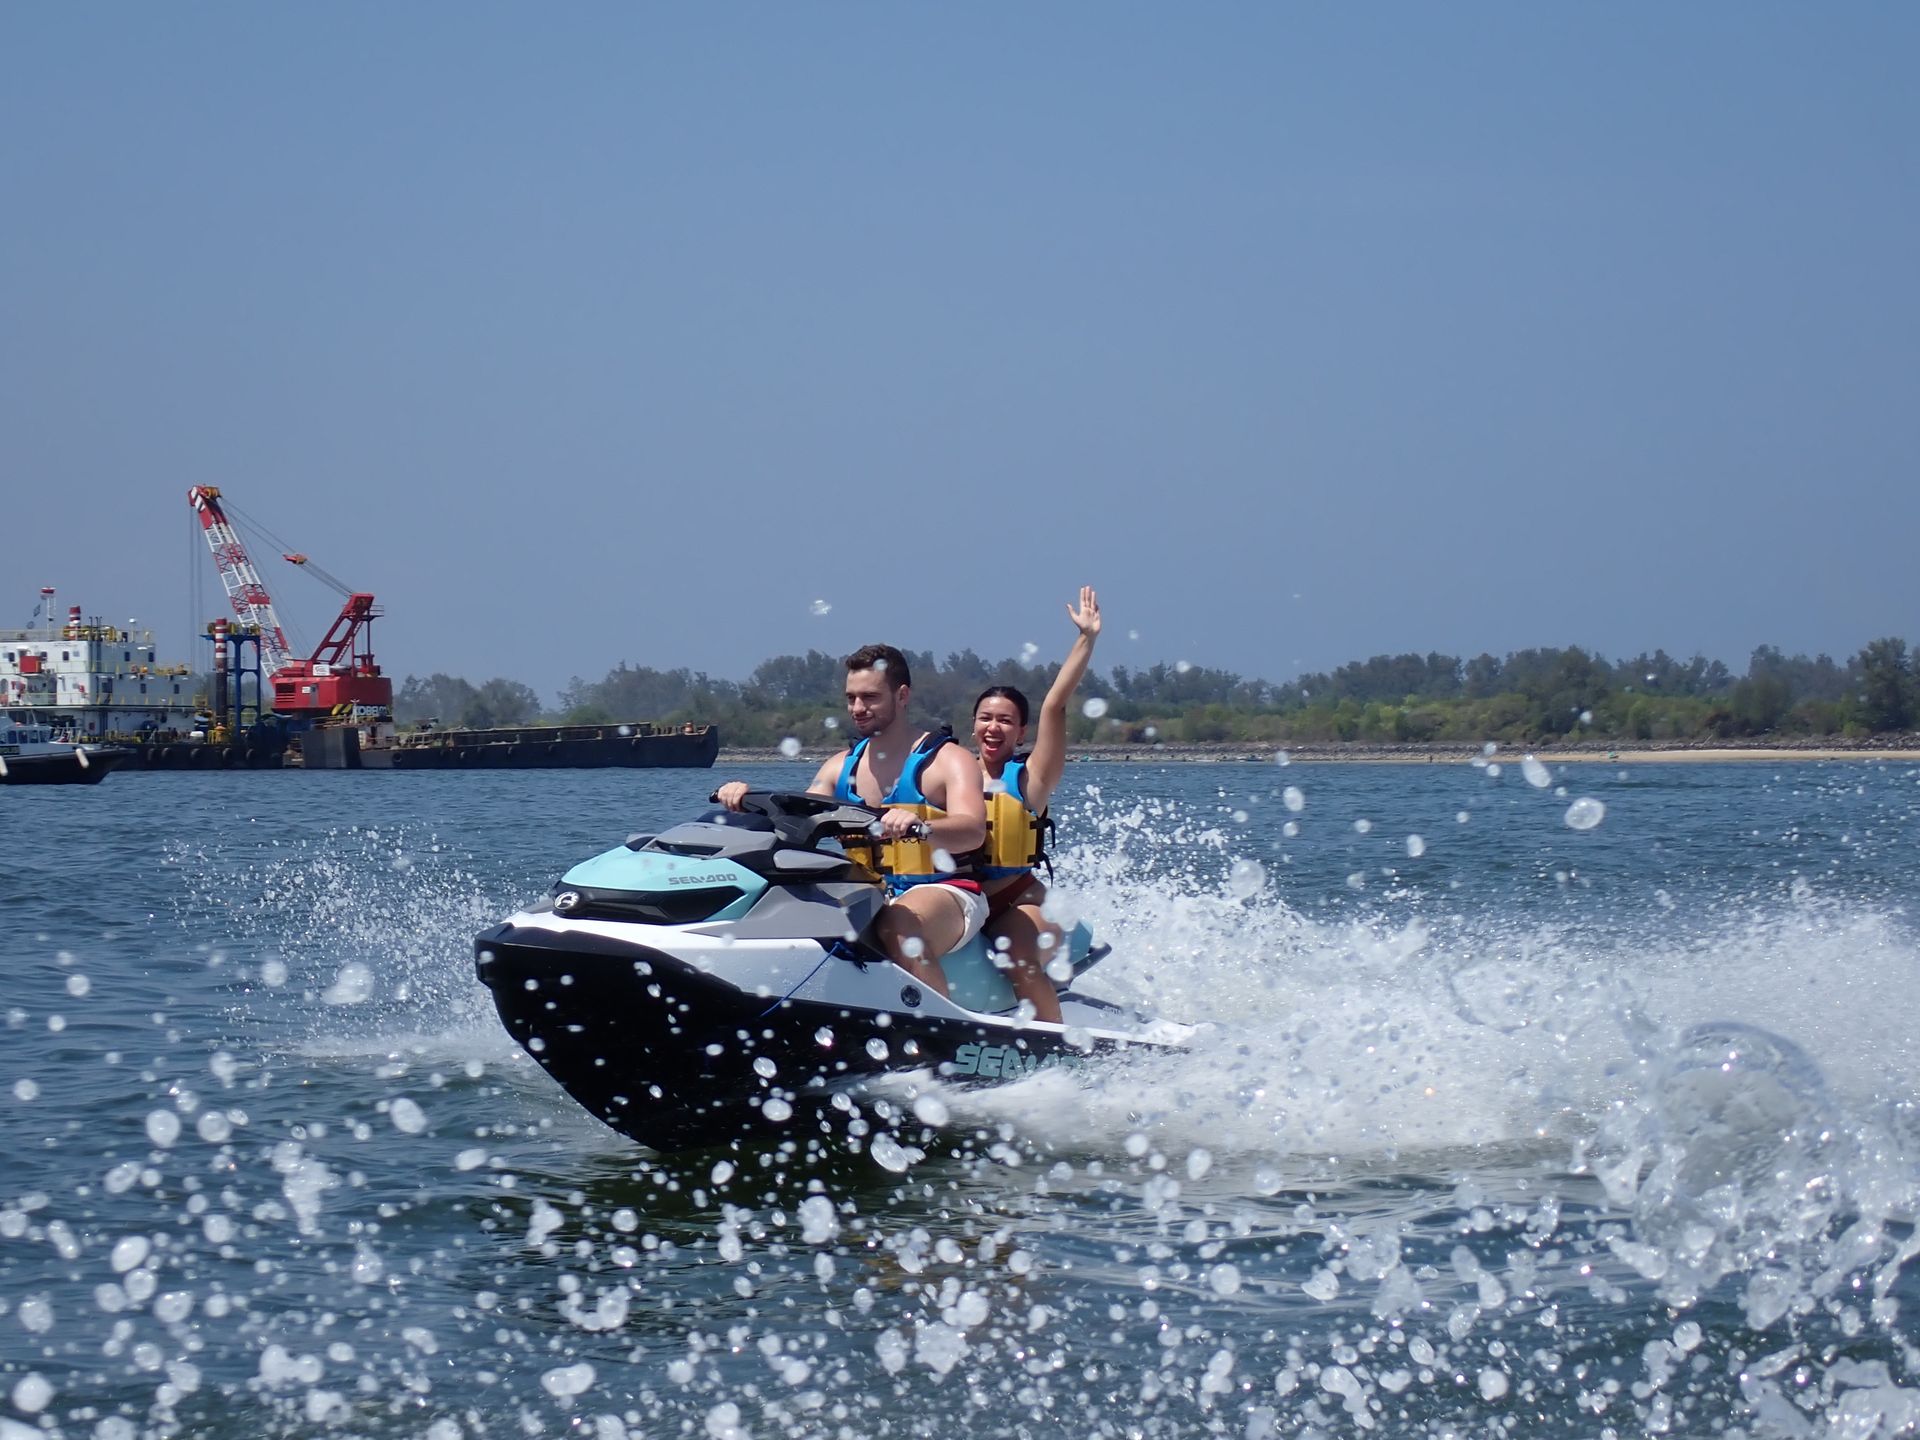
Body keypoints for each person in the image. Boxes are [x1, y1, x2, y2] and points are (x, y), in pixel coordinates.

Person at [715, 644, 987, 998]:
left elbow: (973, 831)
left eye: (870, 697)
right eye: (851, 698)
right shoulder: (838, 767)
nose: (858, 709)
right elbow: (797, 820)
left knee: (897, 924)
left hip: (949, 892)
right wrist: (745, 802)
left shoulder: (949, 760)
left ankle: (940, 1037)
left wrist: (922, 827)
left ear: (902, 695)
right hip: (867, 891)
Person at [969, 586, 1102, 1024]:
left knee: (1017, 958)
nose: (993, 727)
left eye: (1005, 720)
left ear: (1021, 733)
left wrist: (1085, 639)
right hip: (960, 900)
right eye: (985, 718)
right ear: (973, 727)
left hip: (1018, 905)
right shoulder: (947, 775)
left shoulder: (1029, 780)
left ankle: (1056, 1045)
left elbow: (1055, 706)